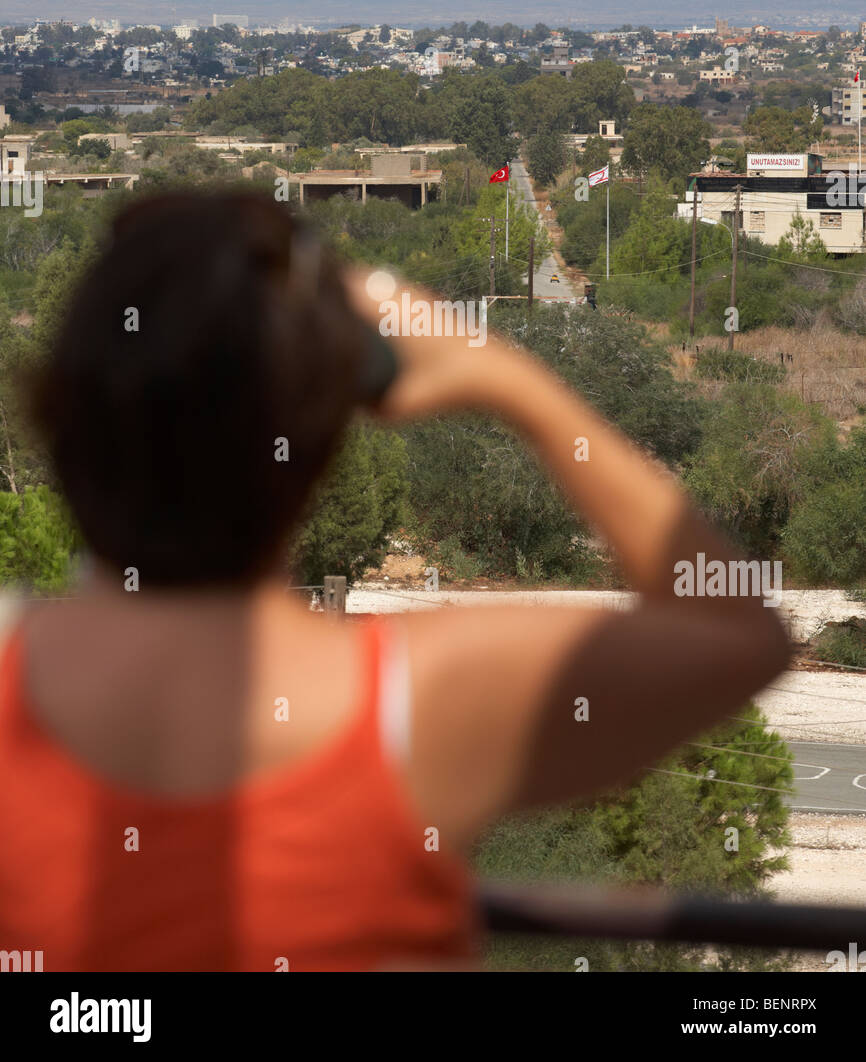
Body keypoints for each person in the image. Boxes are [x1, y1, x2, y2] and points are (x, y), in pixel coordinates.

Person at [0, 191, 789, 972]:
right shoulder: (417, 703)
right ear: (317, 450)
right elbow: (742, 635)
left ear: (63, 415)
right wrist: (510, 380)